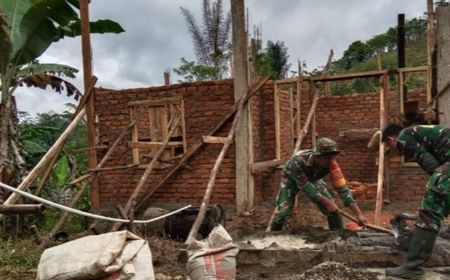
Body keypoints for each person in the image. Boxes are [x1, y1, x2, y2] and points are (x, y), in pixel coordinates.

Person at [382, 124, 450, 279]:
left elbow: (432, 167)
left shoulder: (403, 138)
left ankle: (413, 266)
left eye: (388, 146)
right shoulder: (420, 132)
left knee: (431, 207)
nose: (392, 151)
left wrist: (427, 207)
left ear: (391, 138)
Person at [270, 137, 367, 231]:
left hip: (313, 178)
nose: (330, 161)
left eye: (332, 158)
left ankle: (337, 236)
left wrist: (358, 214)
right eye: (326, 158)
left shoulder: (331, 163)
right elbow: (308, 189)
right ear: (316, 156)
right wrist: (329, 203)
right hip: (291, 179)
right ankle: (272, 237)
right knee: (283, 211)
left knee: (332, 210)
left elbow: (342, 188)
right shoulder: (297, 162)